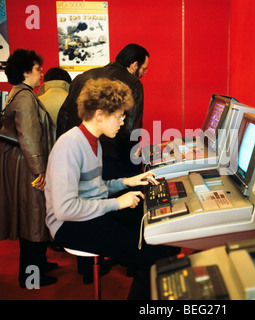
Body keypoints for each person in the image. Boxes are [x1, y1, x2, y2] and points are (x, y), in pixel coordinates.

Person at [45, 78, 177, 299]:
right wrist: (118, 203)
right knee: (154, 253)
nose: (122, 122)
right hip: (68, 226)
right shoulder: (69, 146)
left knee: (164, 235)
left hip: (91, 212)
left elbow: (95, 187)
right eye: (118, 116)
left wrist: (127, 182)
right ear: (99, 115)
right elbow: (64, 209)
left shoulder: (92, 141)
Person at [0, 49, 57, 288]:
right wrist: (39, 170)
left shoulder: (19, 94)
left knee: (32, 217)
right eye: (37, 69)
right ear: (25, 72)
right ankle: (31, 276)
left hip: (23, 164)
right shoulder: (25, 97)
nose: (41, 72)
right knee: (33, 218)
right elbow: (30, 136)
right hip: (28, 166)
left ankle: (39, 265)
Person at [57, 43, 149, 179]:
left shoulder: (83, 77)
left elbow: (63, 116)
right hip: (111, 159)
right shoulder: (133, 83)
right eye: (144, 69)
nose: (144, 73)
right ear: (135, 65)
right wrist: (133, 161)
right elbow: (131, 129)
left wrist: (62, 150)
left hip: (76, 154)